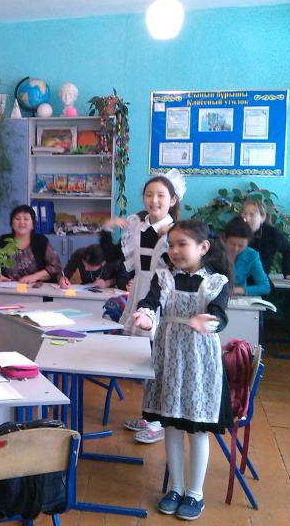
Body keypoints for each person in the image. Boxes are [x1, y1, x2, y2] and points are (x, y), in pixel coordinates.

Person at [132, 219, 233, 520]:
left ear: (203, 247)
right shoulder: (164, 277)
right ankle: (175, 488)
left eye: (182, 245)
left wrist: (208, 321)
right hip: (169, 361)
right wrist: (146, 316)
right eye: (171, 245)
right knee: (172, 426)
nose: (174, 250)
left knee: (197, 429)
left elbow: (219, 315)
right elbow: (151, 302)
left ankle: (195, 493)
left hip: (200, 366)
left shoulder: (216, 282)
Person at [100, 170, 184, 441]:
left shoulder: (179, 231)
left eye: (161, 195)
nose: (154, 200)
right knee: (145, 359)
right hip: (139, 292)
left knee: (160, 359)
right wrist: (106, 229)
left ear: (172, 200)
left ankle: (159, 421)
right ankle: (149, 415)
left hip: (164, 295)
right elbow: (114, 256)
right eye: (149, 194)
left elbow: (186, 265)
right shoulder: (137, 225)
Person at [0, 205, 67, 285]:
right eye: (17, 219)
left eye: (26, 219)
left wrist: (35, 276)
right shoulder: (4, 240)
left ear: (33, 224)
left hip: (37, 288)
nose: (21, 222)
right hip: (7, 288)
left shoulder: (40, 241)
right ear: (11, 223)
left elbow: (56, 267)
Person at [241, 199, 290, 281]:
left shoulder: (271, 234)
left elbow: (287, 249)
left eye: (252, 215)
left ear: (262, 217)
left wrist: (287, 272)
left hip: (260, 283)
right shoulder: (236, 231)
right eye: (244, 214)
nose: (247, 218)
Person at [224, 216, 270, 296]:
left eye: (241, 246)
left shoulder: (252, 255)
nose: (236, 249)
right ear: (225, 239)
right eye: (232, 244)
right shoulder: (215, 251)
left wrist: (239, 290)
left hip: (238, 298)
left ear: (248, 243)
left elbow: (265, 287)